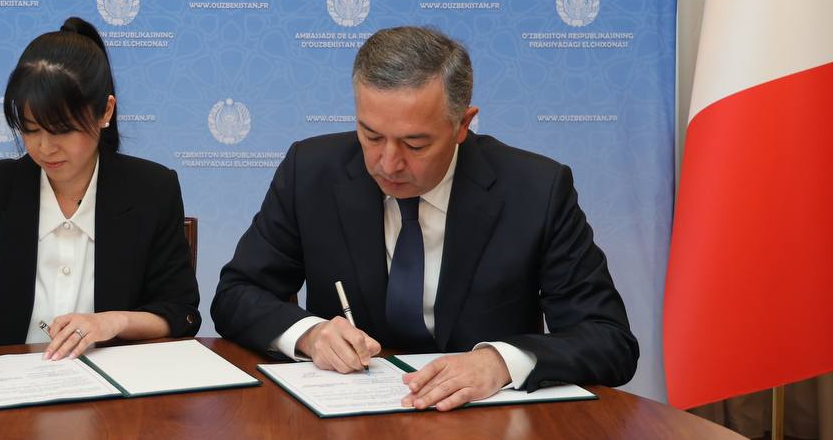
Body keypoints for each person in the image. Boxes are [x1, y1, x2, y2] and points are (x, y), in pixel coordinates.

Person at [211, 25, 637, 411]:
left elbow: (609, 339)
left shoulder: (535, 190)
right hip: (347, 417)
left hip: (484, 422)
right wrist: (309, 333)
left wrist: (500, 362)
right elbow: (236, 294)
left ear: (463, 124)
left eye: (415, 144)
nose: (388, 163)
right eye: (371, 136)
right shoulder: (311, 171)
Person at [0, 17, 201, 367]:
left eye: (62, 129)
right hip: (4, 393)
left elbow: (180, 311)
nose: (45, 147)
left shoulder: (152, 191)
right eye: (30, 129)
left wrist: (113, 322)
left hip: (115, 392)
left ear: (105, 111)